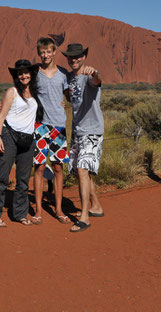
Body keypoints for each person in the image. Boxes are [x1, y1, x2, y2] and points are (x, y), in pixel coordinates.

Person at [0, 60, 41, 227]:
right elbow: (2, 115)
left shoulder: (35, 93)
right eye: (20, 73)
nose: (24, 76)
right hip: (9, 135)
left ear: (31, 74)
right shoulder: (12, 92)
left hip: (28, 139)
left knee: (23, 180)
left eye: (26, 72)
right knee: (1, 175)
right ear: (17, 76)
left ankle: (20, 214)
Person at [62, 43, 105, 233]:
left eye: (78, 56)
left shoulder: (89, 76)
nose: (74, 59)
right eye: (71, 57)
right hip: (77, 130)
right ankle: (96, 206)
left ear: (84, 57)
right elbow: (71, 96)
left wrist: (95, 72)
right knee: (84, 172)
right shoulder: (70, 78)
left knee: (81, 171)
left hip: (92, 131)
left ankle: (85, 217)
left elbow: (97, 81)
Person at [31, 36, 71, 225]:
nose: (45, 55)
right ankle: (38, 210)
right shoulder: (35, 72)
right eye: (42, 52)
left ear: (54, 52)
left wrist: (67, 102)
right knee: (38, 168)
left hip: (59, 126)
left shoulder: (63, 73)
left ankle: (59, 209)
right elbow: (24, 93)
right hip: (40, 126)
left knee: (57, 168)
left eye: (48, 51)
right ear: (39, 53)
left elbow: (71, 96)